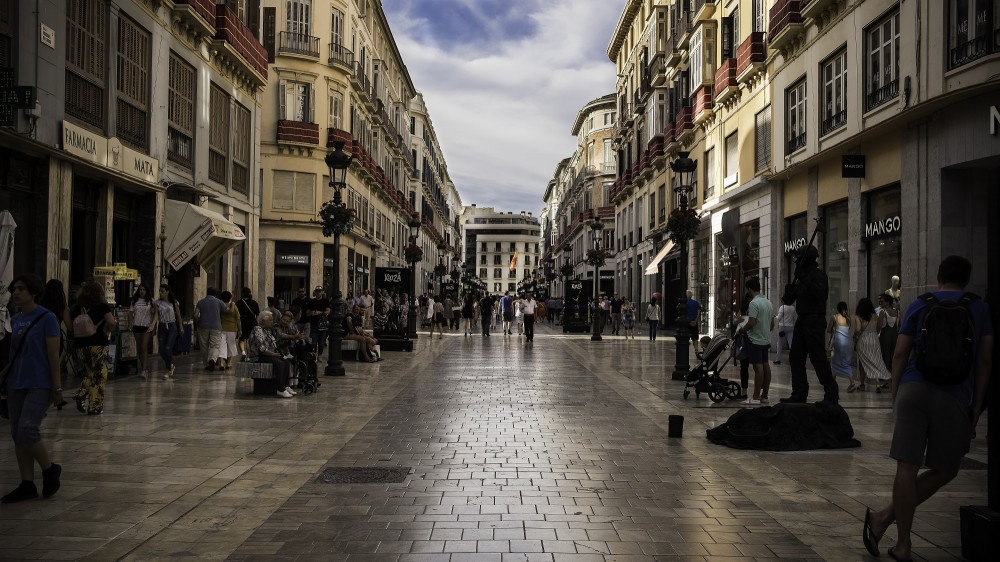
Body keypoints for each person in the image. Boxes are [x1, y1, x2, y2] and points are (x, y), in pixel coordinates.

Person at [863, 256, 992, 561]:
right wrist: (977, 405)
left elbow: (900, 354)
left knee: (906, 467)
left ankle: (899, 539)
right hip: (955, 396)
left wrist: (896, 394)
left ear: (938, 276)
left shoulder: (921, 304)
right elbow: (985, 360)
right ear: (967, 278)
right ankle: (887, 524)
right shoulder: (979, 307)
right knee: (947, 468)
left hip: (914, 390)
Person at [0, 274, 63, 503]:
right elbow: (14, 355)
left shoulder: (47, 318)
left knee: (28, 429)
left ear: (33, 293)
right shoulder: (15, 320)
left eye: (21, 289)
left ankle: (49, 469)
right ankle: (26, 483)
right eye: (14, 289)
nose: (16, 293)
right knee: (18, 434)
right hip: (17, 382)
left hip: (40, 383)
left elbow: (53, 356)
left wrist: (57, 389)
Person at [782, 245, 839, 405]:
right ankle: (799, 392)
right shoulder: (801, 277)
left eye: (799, 259)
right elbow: (788, 301)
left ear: (806, 259)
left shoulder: (818, 275)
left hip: (814, 320)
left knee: (818, 358)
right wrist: (789, 291)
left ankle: (831, 393)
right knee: (795, 357)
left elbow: (820, 293)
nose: (796, 262)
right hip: (802, 320)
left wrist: (804, 278)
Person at [70, 281, 117, 415]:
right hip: (98, 344)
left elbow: (70, 326)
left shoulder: (77, 308)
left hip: (81, 346)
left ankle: (82, 392)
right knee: (100, 375)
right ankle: (95, 406)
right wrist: (108, 329)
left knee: (89, 372)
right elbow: (111, 322)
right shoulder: (102, 306)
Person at [735, 278, 774, 405]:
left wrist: (742, 330)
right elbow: (772, 323)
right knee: (766, 366)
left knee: (758, 368)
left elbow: (751, 323)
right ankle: (765, 396)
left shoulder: (753, 303)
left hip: (755, 339)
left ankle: (756, 397)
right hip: (765, 338)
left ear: (750, 289)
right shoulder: (768, 302)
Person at [245, 311, 296, 398]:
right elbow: (262, 349)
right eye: (270, 320)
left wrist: (279, 354)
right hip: (259, 356)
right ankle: (280, 389)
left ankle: (286, 386)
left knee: (286, 361)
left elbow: (273, 344)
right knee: (279, 363)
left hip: (269, 354)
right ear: (263, 321)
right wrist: (274, 354)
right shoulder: (258, 329)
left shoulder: (267, 331)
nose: (272, 322)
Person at [853, 297, 891, 393]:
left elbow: (857, 329)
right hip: (874, 339)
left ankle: (862, 384)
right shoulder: (875, 316)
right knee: (876, 360)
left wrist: (855, 337)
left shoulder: (858, 316)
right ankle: (878, 383)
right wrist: (874, 333)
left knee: (862, 362)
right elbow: (879, 328)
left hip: (863, 340)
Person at [128, 284, 158, 378]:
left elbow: (155, 314)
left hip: (147, 326)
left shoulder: (152, 301)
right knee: (139, 348)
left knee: (144, 346)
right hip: (136, 325)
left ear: (147, 291)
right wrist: (130, 324)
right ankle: (143, 367)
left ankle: (144, 370)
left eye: (144, 289)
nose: (142, 291)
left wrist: (153, 325)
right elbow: (130, 313)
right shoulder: (134, 301)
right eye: (140, 289)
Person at [194, 288, 227, 371]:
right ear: (215, 294)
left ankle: (207, 364)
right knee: (215, 345)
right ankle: (212, 359)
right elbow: (226, 311)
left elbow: (196, 315)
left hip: (203, 326)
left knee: (204, 345)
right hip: (216, 327)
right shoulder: (219, 302)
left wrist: (197, 323)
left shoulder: (200, 302)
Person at [153, 284, 182, 380]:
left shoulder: (174, 303)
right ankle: (170, 364)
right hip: (162, 326)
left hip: (172, 326)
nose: (161, 293)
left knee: (168, 347)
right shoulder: (157, 303)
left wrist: (181, 327)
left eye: (162, 291)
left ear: (167, 292)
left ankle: (167, 369)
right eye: (160, 291)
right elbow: (156, 315)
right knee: (161, 349)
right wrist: (153, 325)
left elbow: (178, 316)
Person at [827, 301, 854, 386]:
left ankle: (832, 382)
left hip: (837, 342)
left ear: (837, 309)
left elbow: (828, 330)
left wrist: (834, 330)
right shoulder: (848, 318)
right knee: (846, 362)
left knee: (834, 361)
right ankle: (852, 382)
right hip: (847, 342)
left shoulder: (834, 317)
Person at [216, 290, 240, 370]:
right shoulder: (233, 306)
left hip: (221, 328)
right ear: (230, 297)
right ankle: (228, 363)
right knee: (231, 346)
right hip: (232, 329)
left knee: (221, 345)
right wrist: (239, 329)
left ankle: (221, 363)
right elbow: (238, 319)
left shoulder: (220, 306)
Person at [235, 288, 261, 360]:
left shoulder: (239, 303)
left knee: (242, 339)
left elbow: (236, 315)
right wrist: (257, 324)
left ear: (243, 294)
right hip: (252, 322)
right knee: (250, 340)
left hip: (243, 322)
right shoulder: (254, 303)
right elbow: (257, 314)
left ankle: (243, 352)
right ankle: (248, 356)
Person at [878, 294, 899, 371]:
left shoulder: (882, 312)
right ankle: (893, 372)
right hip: (895, 335)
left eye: (882, 301)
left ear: (887, 302)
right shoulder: (897, 312)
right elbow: (899, 325)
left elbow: (879, 327)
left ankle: (885, 373)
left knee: (885, 354)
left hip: (885, 335)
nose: (880, 303)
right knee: (893, 354)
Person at [773, 299, 797, 364]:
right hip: (791, 326)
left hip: (782, 327)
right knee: (791, 343)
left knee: (779, 344)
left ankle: (778, 359)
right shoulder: (793, 308)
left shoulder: (782, 307)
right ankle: (793, 359)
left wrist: (775, 316)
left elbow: (779, 318)